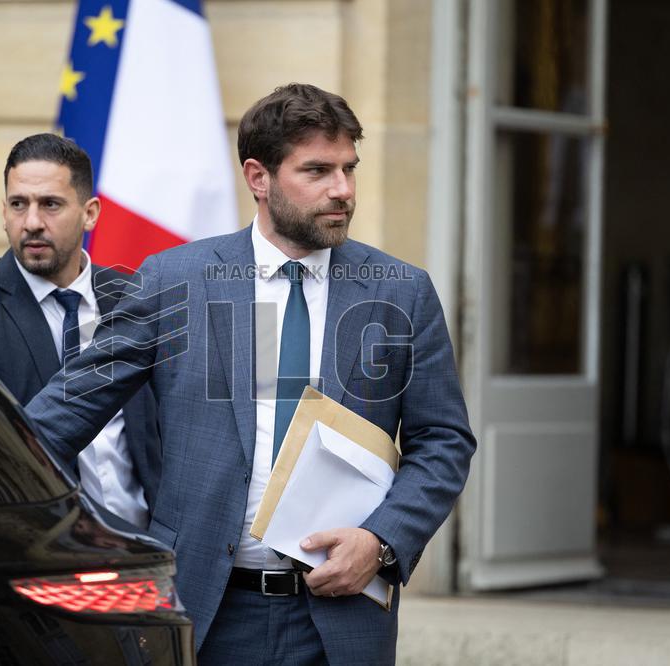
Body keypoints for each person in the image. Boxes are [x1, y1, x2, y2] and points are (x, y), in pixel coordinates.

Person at [25, 84, 476, 664]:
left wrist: (382, 540)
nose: (343, 190)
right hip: (206, 612)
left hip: (340, 618)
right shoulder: (174, 280)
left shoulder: (401, 292)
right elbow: (61, 414)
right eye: (317, 170)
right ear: (258, 177)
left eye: (348, 169)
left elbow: (443, 441)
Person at [0, 133, 159, 528]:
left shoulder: (135, 299)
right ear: (4, 212)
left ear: (90, 213)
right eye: (19, 205)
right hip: (46, 556)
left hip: (150, 553)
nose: (32, 223)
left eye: (50, 204)